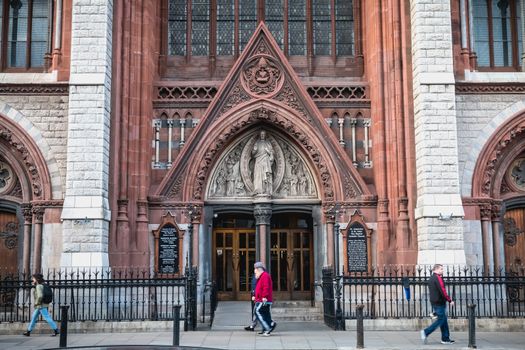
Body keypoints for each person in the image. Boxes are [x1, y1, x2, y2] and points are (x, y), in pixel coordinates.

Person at [420, 264, 455, 345]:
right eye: (441, 269)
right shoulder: (438, 278)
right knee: (441, 320)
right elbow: (442, 290)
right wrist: (450, 300)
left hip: (435, 302)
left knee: (444, 320)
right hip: (439, 302)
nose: (442, 271)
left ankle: (445, 338)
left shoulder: (431, 278)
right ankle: (425, 332)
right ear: (436, 269)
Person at [253, 261, 276, 336]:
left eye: (255, 269)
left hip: (263, 299)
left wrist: (264, 297)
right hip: (261, 299)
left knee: (257, 311)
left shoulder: (264, 276)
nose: (254, 271)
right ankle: (270, 325)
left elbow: (266, 287)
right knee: (265, 314)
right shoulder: (261, 276)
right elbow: (259, 288)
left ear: (259, 269)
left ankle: (267, 328)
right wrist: (255, 296)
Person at [251, 130, 275, 195]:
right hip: (258, 160)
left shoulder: (268, 143)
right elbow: (253, 154)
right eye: (261, 134)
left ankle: (266, 190)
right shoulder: (257, 143)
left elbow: (272, 153)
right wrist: (255, 150)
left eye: (263, 134)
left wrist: (268, 151)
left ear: (265, 135)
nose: (262, 135)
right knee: (258, 175)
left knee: (266, 175)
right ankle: (258, 189)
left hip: (265, 160)